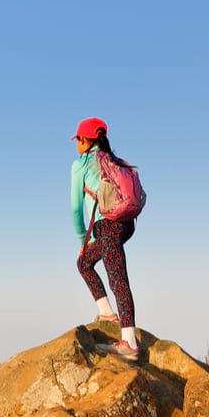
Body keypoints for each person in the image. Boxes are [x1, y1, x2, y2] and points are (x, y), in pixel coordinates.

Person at [70, 117, 140, 361]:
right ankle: (107, 313)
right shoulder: (113, 160)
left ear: (86, 140)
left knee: (117, 278)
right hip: (125, 225)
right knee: (84, 264)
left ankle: (129, 342)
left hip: (107, 226)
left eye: (78, 139)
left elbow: (76, 210)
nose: (76, 144)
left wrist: (83, 241)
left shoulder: (81, 165)